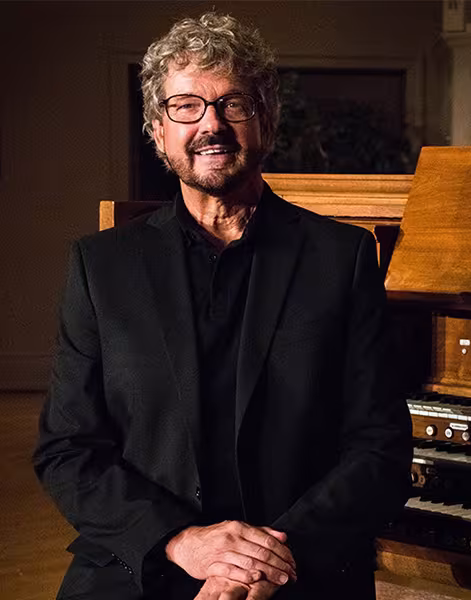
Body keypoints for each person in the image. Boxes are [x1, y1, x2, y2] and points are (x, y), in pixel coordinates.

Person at [33, 12, 411, 600]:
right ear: (158, 131)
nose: (211, 124)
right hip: (144, 563)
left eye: (233, 104)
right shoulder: (101, 266)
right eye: (186, 106)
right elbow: (67, 449)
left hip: (293, 565)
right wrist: (181, 542)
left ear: (268, 119)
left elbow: (379, 446)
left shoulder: (343, 258)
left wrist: (263, 562)